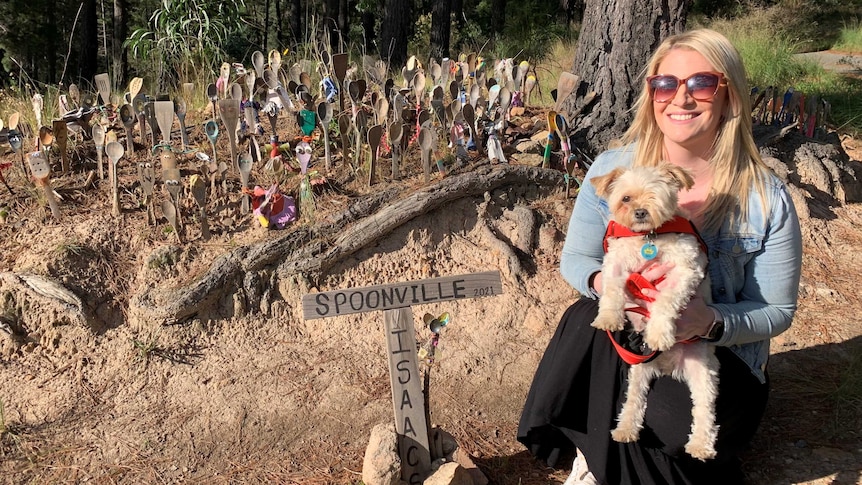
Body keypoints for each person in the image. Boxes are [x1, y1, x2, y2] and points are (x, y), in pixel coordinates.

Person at [517, 28, 803, 485]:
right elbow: (576, 261)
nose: (681, 98)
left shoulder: (764, 198)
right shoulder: (616, 170)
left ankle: (600, 454)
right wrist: (612, 286)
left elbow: (777, 311)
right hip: (637, 333)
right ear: (652, 94)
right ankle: (597, 457)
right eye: (666, 84)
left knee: (670, 424)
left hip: (716, 352)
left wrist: (708, 321)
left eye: (702, 83)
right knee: (585, 318)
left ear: (729, 95)